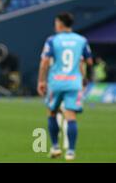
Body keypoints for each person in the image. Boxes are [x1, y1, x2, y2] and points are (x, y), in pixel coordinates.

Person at [37, 12, 93, 161]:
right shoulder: (81, 40)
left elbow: (44, 62)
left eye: (56, 22)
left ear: (60, 23)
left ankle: (55, 147)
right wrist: (85, 78)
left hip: (56, 82)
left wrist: (41, 81)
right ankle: (71, 152)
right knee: (71, 116)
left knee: (52, 112)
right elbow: (88, 61)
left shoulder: (52, 40)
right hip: (74, 82)